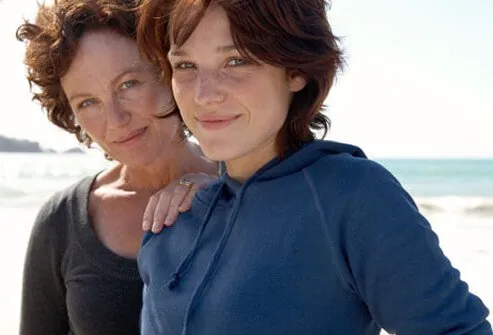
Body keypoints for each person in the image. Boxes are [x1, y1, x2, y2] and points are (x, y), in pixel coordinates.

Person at [136, 0, 492, 334]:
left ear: (296, 71)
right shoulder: (171, 220)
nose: (204, 94)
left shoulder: (352, 195)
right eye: (185, 66)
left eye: (236, 61)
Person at [16, 0, 217, 334]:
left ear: (169, 69)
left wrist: (224, 199)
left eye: (128, 84)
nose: (116, 120)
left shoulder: (250, 189)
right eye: (88, 102)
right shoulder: (61, 222)